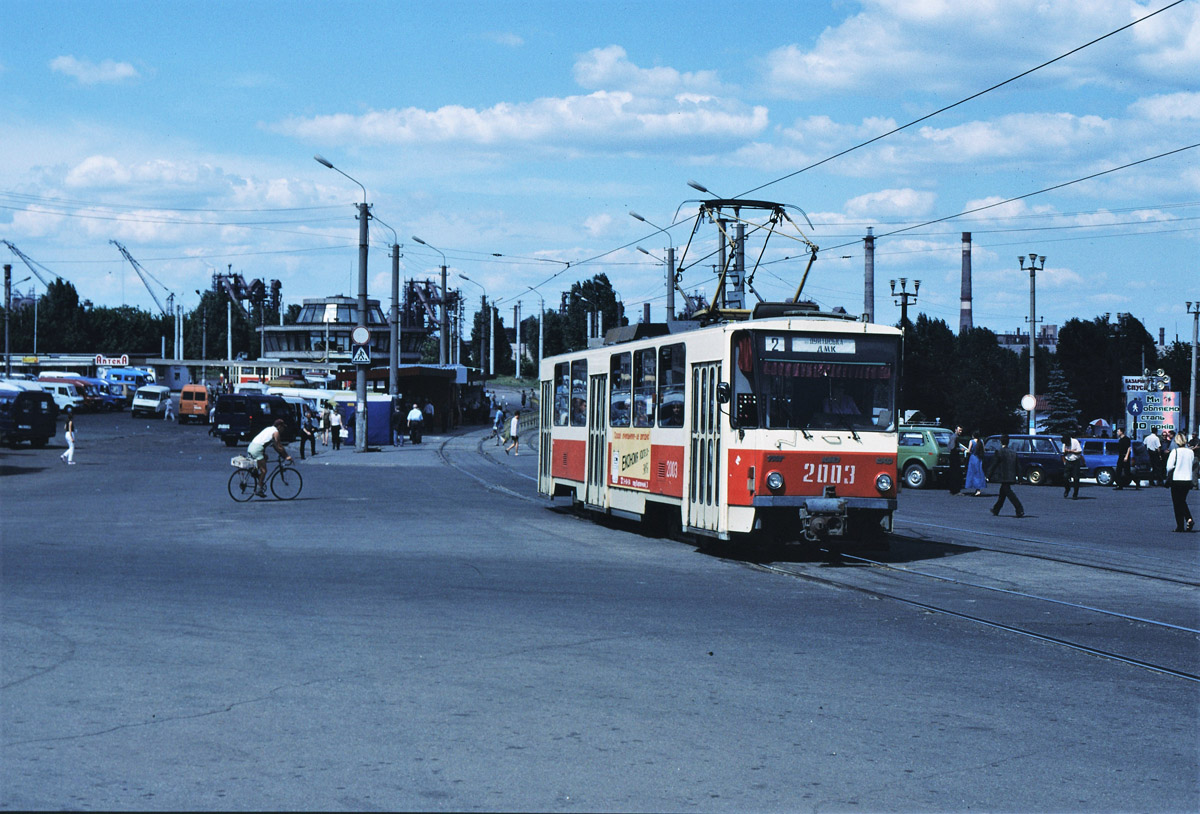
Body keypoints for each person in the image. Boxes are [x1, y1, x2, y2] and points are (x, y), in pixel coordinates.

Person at [247, 419, 293, 498]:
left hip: (251, 446)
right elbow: (279, 446)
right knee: (264, 471)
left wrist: (281, 454)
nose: (283, 429)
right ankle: (258, 489)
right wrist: (286, 456)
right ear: (279, 426)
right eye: (283, 427)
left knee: (265, 457)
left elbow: (275, 446)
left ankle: (256, 472)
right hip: (257, 449)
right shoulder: (276, 432)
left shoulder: (269, 428)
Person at [986, 434, 1025, 518]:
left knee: (1009, 493)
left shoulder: (999, 452)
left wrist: (988, 475)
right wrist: (1020, 478)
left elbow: (993, 465)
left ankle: (1019, 509)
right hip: (1011, 476)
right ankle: (996, 509)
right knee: (1002, 493)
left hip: (1003, 476)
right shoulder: (1013, 452)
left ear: (1001, 442)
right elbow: (1018, 466)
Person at [1165, 432, 1195, 532]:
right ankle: (1189, 519)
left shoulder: (1175, 452)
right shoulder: (1190, 452)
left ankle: (1180, 525)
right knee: (1182, 500)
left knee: (1177, 503)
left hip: (1177, 479)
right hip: (1187, 479)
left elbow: (1169, 467)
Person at [963, 431, 986, 496]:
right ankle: (978, 489)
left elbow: (969, 450)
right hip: (979, 458)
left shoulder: (971, 441)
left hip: (973, 458)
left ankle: (976, 488)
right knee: (979, 473)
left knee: (972, 473)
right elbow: (984, 450)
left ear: (973, 435)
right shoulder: (981, 441)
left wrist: (965, 451)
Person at [1061, 432, 1083, 499]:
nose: (1066, 444)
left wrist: (1071, 451)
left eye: (1067, 443)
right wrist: (1066, 453)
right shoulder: (1064, 443)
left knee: (1076, 478)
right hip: (1068, 461)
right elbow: (1063, 454)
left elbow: (1079, 451)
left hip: (1075, 461)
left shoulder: (1075, 441)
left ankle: (1075, 494)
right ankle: (1067, 489)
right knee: (1065, 477)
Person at [947, 426, 964, 495]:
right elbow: (952, 447)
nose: (960, 432)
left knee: (953, 473)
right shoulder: (954, 437)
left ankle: (952, 489)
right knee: (956, 473)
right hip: (954, 456)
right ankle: (956, 490)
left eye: (961, 430)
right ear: (955, 430)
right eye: (959, 430)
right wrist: (960, 449)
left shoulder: (952, 437)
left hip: (952, 456)